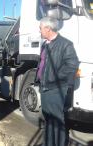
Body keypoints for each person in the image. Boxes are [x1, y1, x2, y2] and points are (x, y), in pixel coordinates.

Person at [36, 17, 79, 146]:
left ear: (48, 28)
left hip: (56, 88)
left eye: (40, 28)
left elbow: (72, 65)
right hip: (45, 87)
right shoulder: (45, 44)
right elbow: (43, 64)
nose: (39, 31)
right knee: (48, 118)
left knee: (57, 121)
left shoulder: (65, 44)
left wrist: (52, 78)